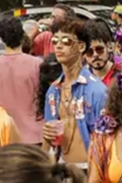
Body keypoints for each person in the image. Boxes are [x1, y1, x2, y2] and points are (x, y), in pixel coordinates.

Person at [41, 18, 108, 169]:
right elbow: (48, 141)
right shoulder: (53, 91)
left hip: (90, 170)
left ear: (81, 46)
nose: (58, 46)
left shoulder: (97, 91)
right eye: (55, 41)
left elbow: (107, 141)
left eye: (66, 41)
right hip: (62, 168)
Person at [0, 16, 42, 143]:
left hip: (5, 135)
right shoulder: (37, 64)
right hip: (35, 134)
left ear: (1, 38)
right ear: (22, 35)